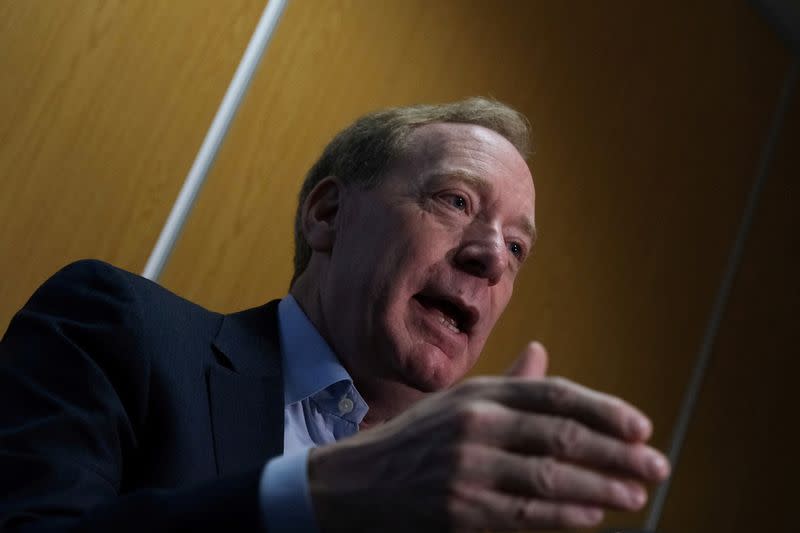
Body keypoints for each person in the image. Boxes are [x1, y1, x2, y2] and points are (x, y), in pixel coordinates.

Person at [0, 98, 670, 532]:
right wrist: (320, 491)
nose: (493, 256)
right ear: (326, 214)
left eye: (518, 246)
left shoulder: (469, 514)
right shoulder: (118, 330)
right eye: (457, 201)